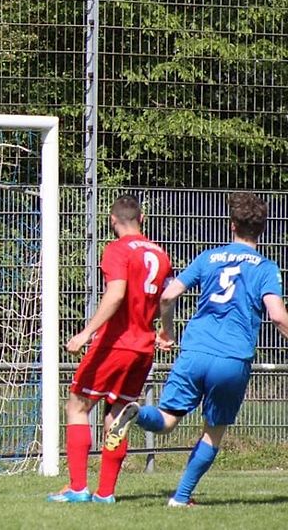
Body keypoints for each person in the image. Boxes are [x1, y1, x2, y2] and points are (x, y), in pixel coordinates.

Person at [105, 192, 288, 507]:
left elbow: (167, 295)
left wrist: (166, 329)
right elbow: (276, 315)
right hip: (232, 359)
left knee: (165, 418)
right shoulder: (265, 267)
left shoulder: (209, 258)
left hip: (195, 351)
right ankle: (181, 497)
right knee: (213, 431)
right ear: (262, 229)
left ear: (231, 226)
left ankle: (136, 412)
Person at [47, 195, 172, 504]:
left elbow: (116, 294)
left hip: (115, 344)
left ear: (112, 220)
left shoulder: (116, 250)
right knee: (116, 415)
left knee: (77, 406)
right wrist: (164, 330)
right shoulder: (160, 253)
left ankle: (78, 487)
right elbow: (166, 298)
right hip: (143, 348)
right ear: (141, 218)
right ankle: (106, 493)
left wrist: (86, 333)